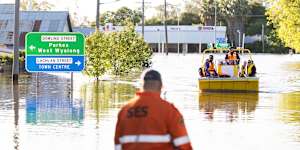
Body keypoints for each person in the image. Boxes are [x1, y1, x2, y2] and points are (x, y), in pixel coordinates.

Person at [114, 69, 193, 150]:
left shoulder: (124, 111)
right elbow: (185, 146)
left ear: (142, 85)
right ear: (161, 86)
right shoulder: (169, 111)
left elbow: (117, 146)